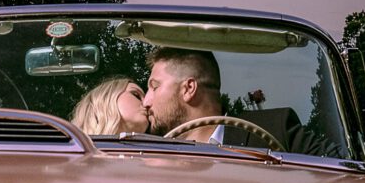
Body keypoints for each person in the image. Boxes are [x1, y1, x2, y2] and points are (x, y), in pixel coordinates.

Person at [142, 47, 343, 157]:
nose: (146, 101)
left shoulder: (276, 129)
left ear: (188, 89)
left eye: (154, 86)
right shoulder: (143, 151)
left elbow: (344, 173)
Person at [71, 77, 150, 135]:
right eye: (136, 95)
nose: (146, 103)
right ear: (105, 99)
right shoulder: (70, 151)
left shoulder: (156, 152)